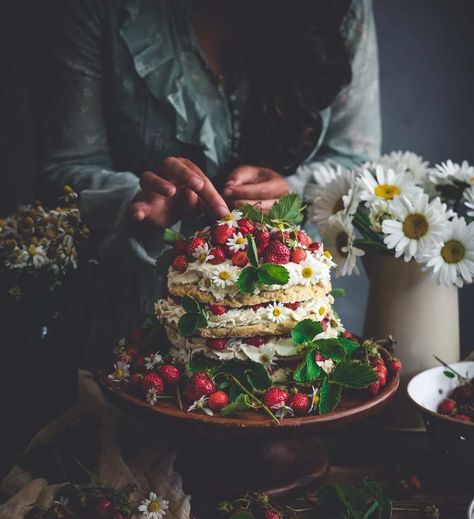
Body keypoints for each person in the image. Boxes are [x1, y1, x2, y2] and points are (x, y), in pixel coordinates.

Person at [39, 0, 380, 364]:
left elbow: (358, 165)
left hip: (291, 337)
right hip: (133, 332)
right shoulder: (99, 10)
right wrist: (134, 199)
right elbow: (63, 170)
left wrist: (294, 190)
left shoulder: (339, 8)